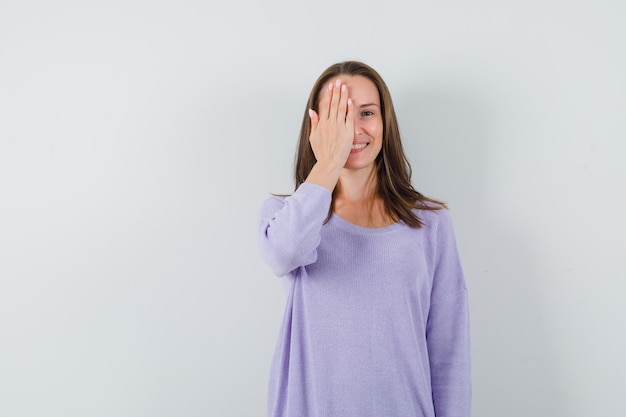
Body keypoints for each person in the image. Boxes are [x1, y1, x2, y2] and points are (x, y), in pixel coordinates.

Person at [258, 61, 471, 417]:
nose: (353, 129)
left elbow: (449, 350)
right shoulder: (286, 213)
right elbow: (284, 253)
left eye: (366, 113)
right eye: (337, 116)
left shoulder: (431, 223)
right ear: (316, 127)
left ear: (385, 123)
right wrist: (327, 162)